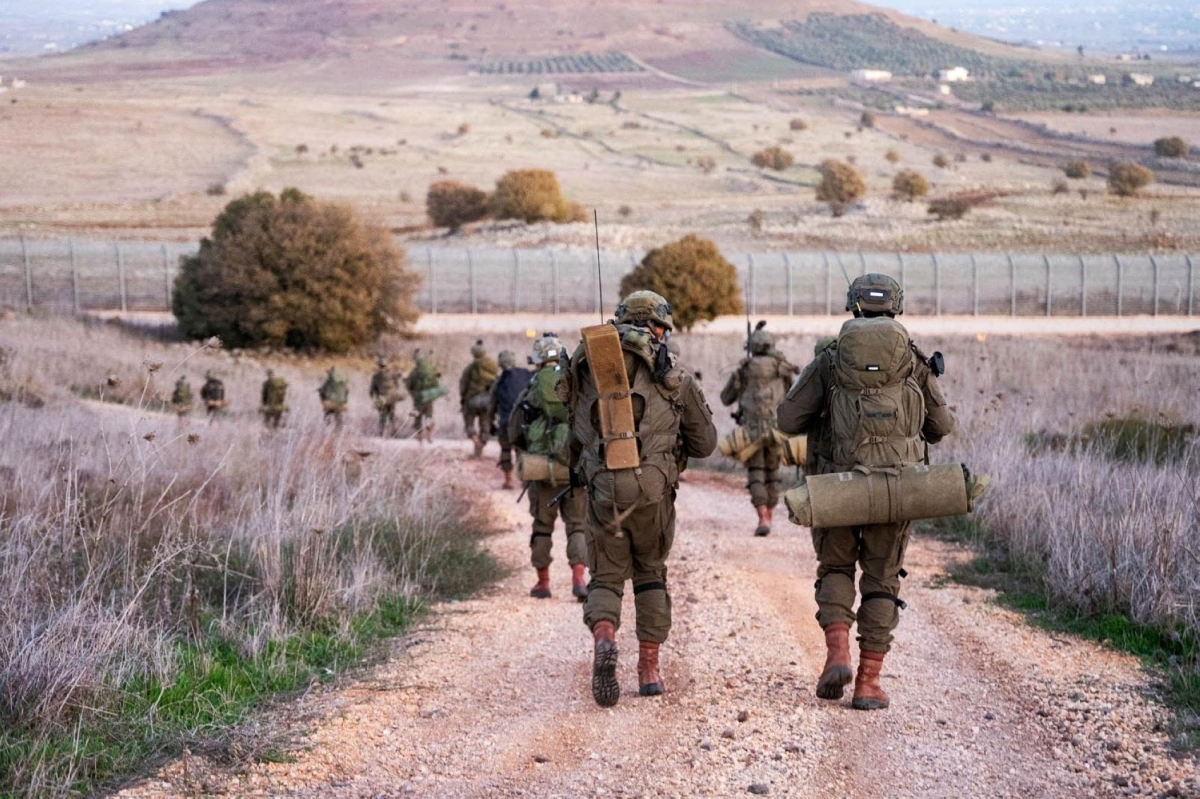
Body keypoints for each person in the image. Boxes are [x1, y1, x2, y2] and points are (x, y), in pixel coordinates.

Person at [777, 273, 956, 711]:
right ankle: (868, 683)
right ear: (897, 306)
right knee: (881, 581)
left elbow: (787, 420)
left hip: (839, 487)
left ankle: (837, 652)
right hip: (895, 491)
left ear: (852, 305)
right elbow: (941, 428)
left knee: (836, 568)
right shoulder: (912, 360)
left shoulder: (832, 359)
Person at [563, 291, 717, 707]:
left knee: (607, 578)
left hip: (603, 490)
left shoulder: (587, 369)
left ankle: (605, 638)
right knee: (650, 572)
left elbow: (575, 436)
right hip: (652, 491)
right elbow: (705, 444)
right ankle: (649, 670)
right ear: (661, 327)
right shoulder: (674, 375)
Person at [508, 334, 589, 601]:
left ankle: (543, 583)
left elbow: (514, 432)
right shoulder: (576, 385)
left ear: (537, 358)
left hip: (540, 469)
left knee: (542, 527)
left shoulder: (531, 390)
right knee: (577, 526)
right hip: (575, 469)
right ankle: (579, 580)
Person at [720, 322, 800, 536]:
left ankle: (762, 515)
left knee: (756, 474)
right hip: (776, 431)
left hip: (751, 431)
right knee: (773, 474)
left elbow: (726, 399)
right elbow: (793, 396)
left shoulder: (744, 369)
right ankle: (770, 515)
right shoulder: (782, 367)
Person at [489, 350, 532, 490]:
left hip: (505, 422)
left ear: (500, 363)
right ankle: (525, 480)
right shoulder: (525, 376)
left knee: (506, 450)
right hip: (523, 421)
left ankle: (508, 480)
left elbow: (491, 405)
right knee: (521, 450)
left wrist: (490, 422)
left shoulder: (499, 381)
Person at [460, 340, 500, 458]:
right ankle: (480, 447)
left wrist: (463, 399)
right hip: (487, 401)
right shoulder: (493, 366)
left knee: (469, 423)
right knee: (485, 425)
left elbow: (463, 385)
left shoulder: (470, 368)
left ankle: (475, 441)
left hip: (472, 400)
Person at [405, 350, 444, 443]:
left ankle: (419, 436)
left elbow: (408, 385)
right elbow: (436, 385)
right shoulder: (430, 372)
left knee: (417, 418)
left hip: (418, 398)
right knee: (429, 416)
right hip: (429, 398)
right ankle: (430, 435)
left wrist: (413, 394)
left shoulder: (414, 372)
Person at [369, 356, 407, 436]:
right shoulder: (392, 373)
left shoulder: (376, 376)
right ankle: (395, 432)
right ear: (386, 365)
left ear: (379, 365)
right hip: (392, 397)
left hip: (382, 398)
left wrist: (373, 397)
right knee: (392, 415)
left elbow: (372, 390)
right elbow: (399, 381)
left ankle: (381, 433)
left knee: (382, 416)